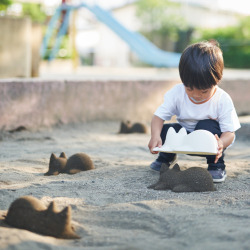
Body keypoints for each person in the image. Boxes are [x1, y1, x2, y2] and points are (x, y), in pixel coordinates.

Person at [148, 41, 241, 183]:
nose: (196, 95)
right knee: (165, 130)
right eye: (189, 88)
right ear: (183, 80)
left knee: (208, 126)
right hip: (184, 139)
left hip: (208, 143)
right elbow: (158, 117)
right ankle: (165, 158)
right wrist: (155, 136)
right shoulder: (177, 93)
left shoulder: (222, 99)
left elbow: (229, 132)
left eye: (204, 91)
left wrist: (221, 143)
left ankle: (216, 166)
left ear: (217, 80)